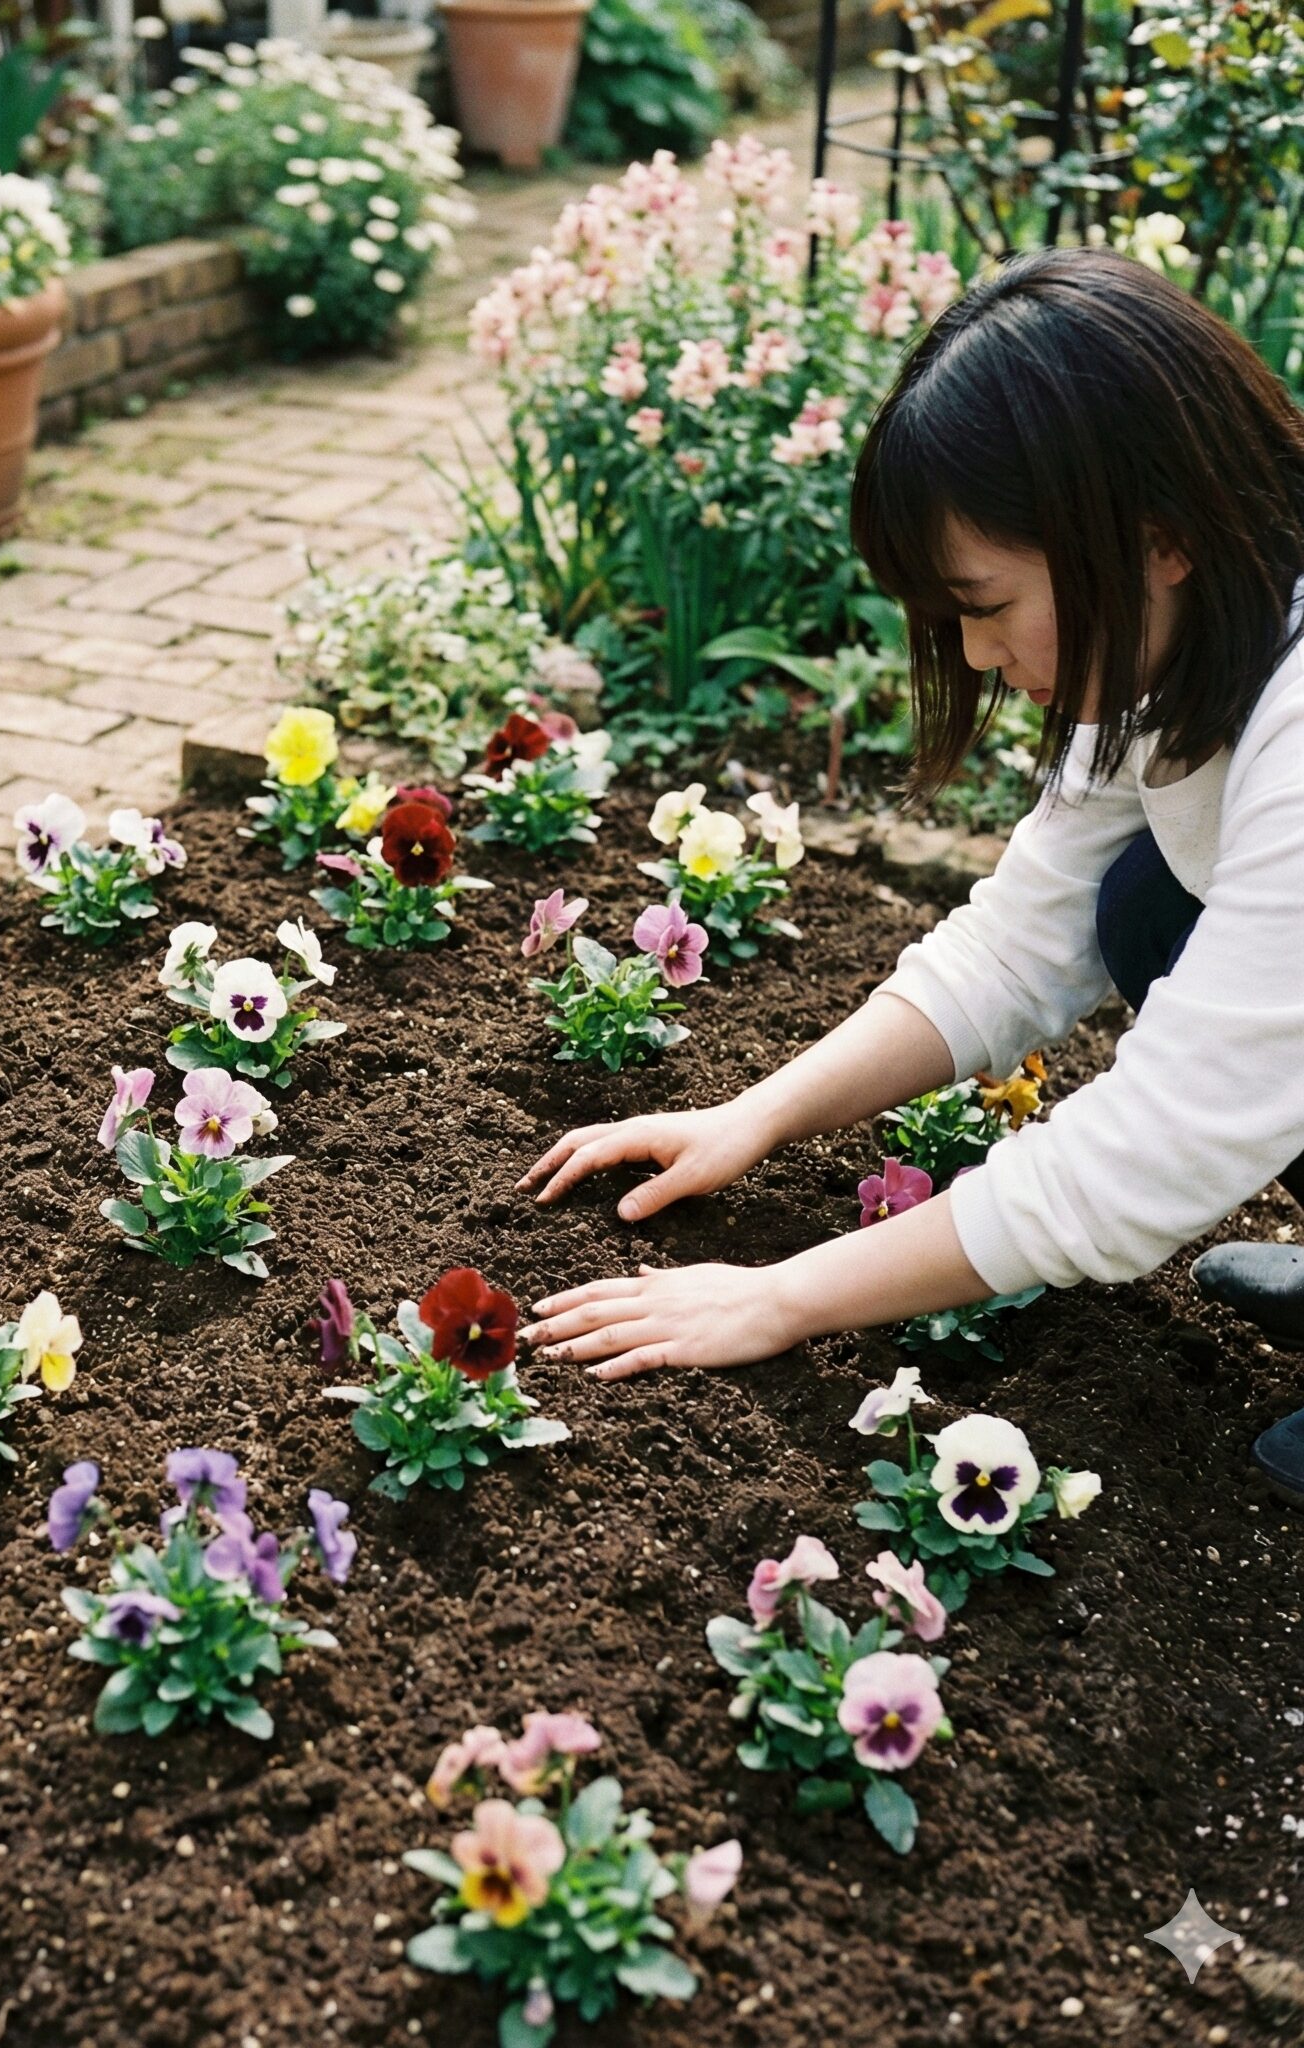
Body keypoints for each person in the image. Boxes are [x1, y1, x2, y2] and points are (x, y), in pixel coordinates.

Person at [517, 248, 1304, 1506]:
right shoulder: (1192, 641)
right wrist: (752, 1116)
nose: (980, 656)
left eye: (985, 603)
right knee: (1139, 905)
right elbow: (1016, 945)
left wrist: (782, 1294)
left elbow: (1145, 1157)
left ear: (1156, 534)